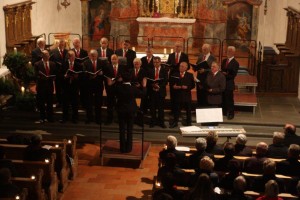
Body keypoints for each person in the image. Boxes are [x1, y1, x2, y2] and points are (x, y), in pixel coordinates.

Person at [115, 72, 145, 153]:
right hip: (131, 111)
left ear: (122, 79)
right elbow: (142, 94)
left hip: (121, 110)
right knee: (129, 129)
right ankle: (128, 148)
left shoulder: (118, 87)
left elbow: (113, 93)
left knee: (121, 129)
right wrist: (143, 87)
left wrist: (117, 81)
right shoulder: (133, 88)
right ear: (130, 79)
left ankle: (122, 148)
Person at [83, 49, 106, 124]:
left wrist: (102, 74)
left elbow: (105, 73)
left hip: (98, 85)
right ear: (89, 55)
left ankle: (98, 119)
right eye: (91, 55)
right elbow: (84, 73)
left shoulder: (101, 62)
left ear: (97, 55)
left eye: (94, 55)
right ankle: (89, 118)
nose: (93, 57)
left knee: (98, 102)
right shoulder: (86, 63)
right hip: (89, 85)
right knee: (89, 102)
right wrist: (90, 76)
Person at [169, 61, 195, 128]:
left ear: (186, 67)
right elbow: (171, 84)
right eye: (180, 66)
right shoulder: (174, 74)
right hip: (177, 95)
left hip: (186, 96)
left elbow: (193, 85)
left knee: (188, 110)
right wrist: (174, 87)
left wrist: (187, 87)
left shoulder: (190, 75)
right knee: (176, 110)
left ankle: (189, 123)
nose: (181, 67)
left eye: (183, 66)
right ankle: (175, 122)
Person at [103, 54, 127, 125]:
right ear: (110, 60)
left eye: (115, 59)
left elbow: (125, 76)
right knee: (110, 104)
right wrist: (110, 81)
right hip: (110, 88)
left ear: (118, 60)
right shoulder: (107, 67)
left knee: (120, 104)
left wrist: (122, 79)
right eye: (112, 59)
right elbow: (105, 77)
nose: (113, 60)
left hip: (120, 88)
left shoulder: (123, 67)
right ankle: (109, 119)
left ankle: (120, 119)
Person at [166, 42, 189, 115]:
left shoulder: (184, 56)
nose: (177, 48)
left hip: (181, 76)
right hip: (173, 76)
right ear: (174, 47)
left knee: (180, 94)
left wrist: (182, 68)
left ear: (181, 47)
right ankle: (173, 110)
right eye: (176, 46)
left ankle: (179, 110)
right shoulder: (171, 55)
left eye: (179, 46)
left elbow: (187, 67)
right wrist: (168, 66)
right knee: (172, 93)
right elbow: (168, 64)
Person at [60, 50, 82, 124]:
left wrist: (77, 76)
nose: (73, 57)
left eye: (74, 56)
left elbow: (82, 76)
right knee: (65, 103)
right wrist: (64, 76)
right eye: (72, 56)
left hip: (75, 87)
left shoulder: (78, 65)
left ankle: (75, 118)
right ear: (68, 57)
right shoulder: (64, 64)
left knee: (75, 104)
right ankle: (65, 117)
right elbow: (60, 75)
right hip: (66, 86)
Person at [35, 50, 56, 123]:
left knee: (50, 103)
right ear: (42, 56)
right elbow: (36, 75)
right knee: (41, 103)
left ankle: (50, 117)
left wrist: (53, 77)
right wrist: (41, 77)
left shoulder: (52, 64)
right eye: (46, 56)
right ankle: (42, 117)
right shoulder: (37, 64)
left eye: (48, 55)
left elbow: (54, 74)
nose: (47, 57)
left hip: (50, 86)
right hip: (41, 86)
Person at [148, 56, 168, 128]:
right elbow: (148, 80)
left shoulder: (164, 70)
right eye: (154, 62)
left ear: (160, 62)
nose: (155, 64)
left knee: (161, 108)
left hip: (161, 91)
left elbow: (166, 81)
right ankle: (153, 121)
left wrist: (158, 87)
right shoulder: (150, 70)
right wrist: (153, 86)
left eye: (157, 62)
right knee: (152, 108)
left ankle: (161, 122)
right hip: (152, 91)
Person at [221, 46, 239, 120]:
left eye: (230, 51)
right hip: (222, 83)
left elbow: (233, 74)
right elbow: (222, 69)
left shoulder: (235, 63)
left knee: (229, 99)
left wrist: (226, 74)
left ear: (234, 52)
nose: (228, 52)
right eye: (228, 50)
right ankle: (224, 112)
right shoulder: (224, 61)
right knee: (223, 98)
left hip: (229, 83)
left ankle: (231, 113)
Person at [71, 37, 89, 109]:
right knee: (74, 91)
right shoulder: (70, 51)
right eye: (75, 42)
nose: (77, 44)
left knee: (83, 90)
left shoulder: (84, 52)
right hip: (74, 73)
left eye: (78, 42)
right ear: (73, 44)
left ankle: (83, 104)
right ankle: (75, 105)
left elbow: (86, 61)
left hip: (82, 73)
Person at [50, 39, 68, 108]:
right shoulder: (53, 52)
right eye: (61, 43)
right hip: (57, 73)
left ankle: (64, 102)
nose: (62, 45)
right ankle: (59, 101)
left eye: (63, 44)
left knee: (65, 88)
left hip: (65, 73)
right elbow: (51, 62)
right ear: (58, 44)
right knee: (58, 88)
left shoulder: (67, 51)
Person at [140, 47, 154, 114]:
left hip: (152, 80)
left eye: (150, 52)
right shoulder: (142, 59)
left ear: (152, 52)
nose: (148, 53)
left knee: (151, 96)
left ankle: (151, 111)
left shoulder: (155, 59)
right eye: (147, 52)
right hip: (144, 80)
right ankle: (144, 110)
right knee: (144, 96)